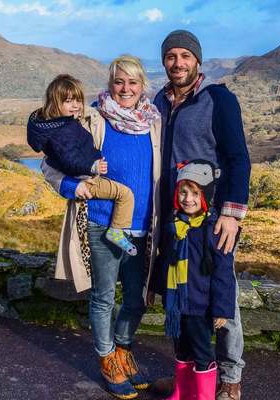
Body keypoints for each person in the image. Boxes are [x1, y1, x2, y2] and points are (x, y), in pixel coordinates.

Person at [40, 56, 162, 400]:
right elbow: (49, 164)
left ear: (142, 86)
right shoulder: (92, 118)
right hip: (100, 222)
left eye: (132, 83)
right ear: (110, 84)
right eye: (119, 82)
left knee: (138, 298)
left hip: (141, 228)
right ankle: (107, 358)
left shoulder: (154, 122)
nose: (125, 89)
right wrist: (70, 187)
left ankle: (123, 349)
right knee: (104, 296)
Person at [151, 30, 251, 400]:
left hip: (211, 220)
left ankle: (230, 377)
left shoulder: (218, 99)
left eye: (185, 56)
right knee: (180, 294)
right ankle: (188, 378)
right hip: (174, 220)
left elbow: (238, 157)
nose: (178, 63)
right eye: (171, 56)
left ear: (197, 60)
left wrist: (231, 214)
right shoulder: (158, 102)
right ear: (164, 61)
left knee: (220, 294)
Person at [152, 160, 237, 400]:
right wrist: (153, 290)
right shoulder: (173, 225)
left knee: (201, 353)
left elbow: (223, 274)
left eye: (195, 193)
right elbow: (164, 260)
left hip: (200, 306)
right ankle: (182, 392)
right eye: (183, 192)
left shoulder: (214, 229)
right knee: (181, 349)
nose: (188, 199)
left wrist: (221, 310)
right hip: (177, 304)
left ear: (206, 195)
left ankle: (203, 397)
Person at [27, 74, 138, 256]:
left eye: (78, 100)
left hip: (144, 223)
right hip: (91, 195)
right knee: (124, 194)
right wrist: (88, 171)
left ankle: (117, 230)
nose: (76, 105)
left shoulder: (153, 118)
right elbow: (59, 161)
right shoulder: (73, 125)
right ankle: (117, 231)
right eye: (119, 82)